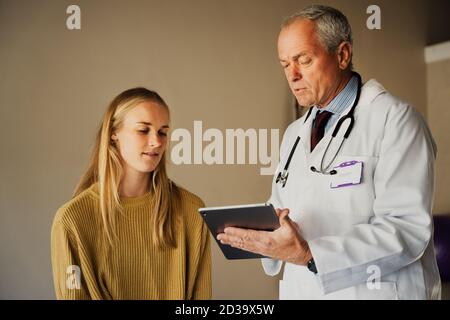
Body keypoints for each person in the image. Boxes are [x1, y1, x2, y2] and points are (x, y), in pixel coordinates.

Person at [217, 5, 441, 299]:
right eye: (285, 64)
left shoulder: (395, 120)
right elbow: (284, 211)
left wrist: (311, 255)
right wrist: (263, 234)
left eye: (303, 60)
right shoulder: (295, 134)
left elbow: (406, 228)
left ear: (342, 54)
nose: (292, 75)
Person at [51, 88, 211, 299]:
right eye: (143, 130)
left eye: (163, 132)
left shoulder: (192, 212)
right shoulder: (72, 221)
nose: (157, 142)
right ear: (113, 135)